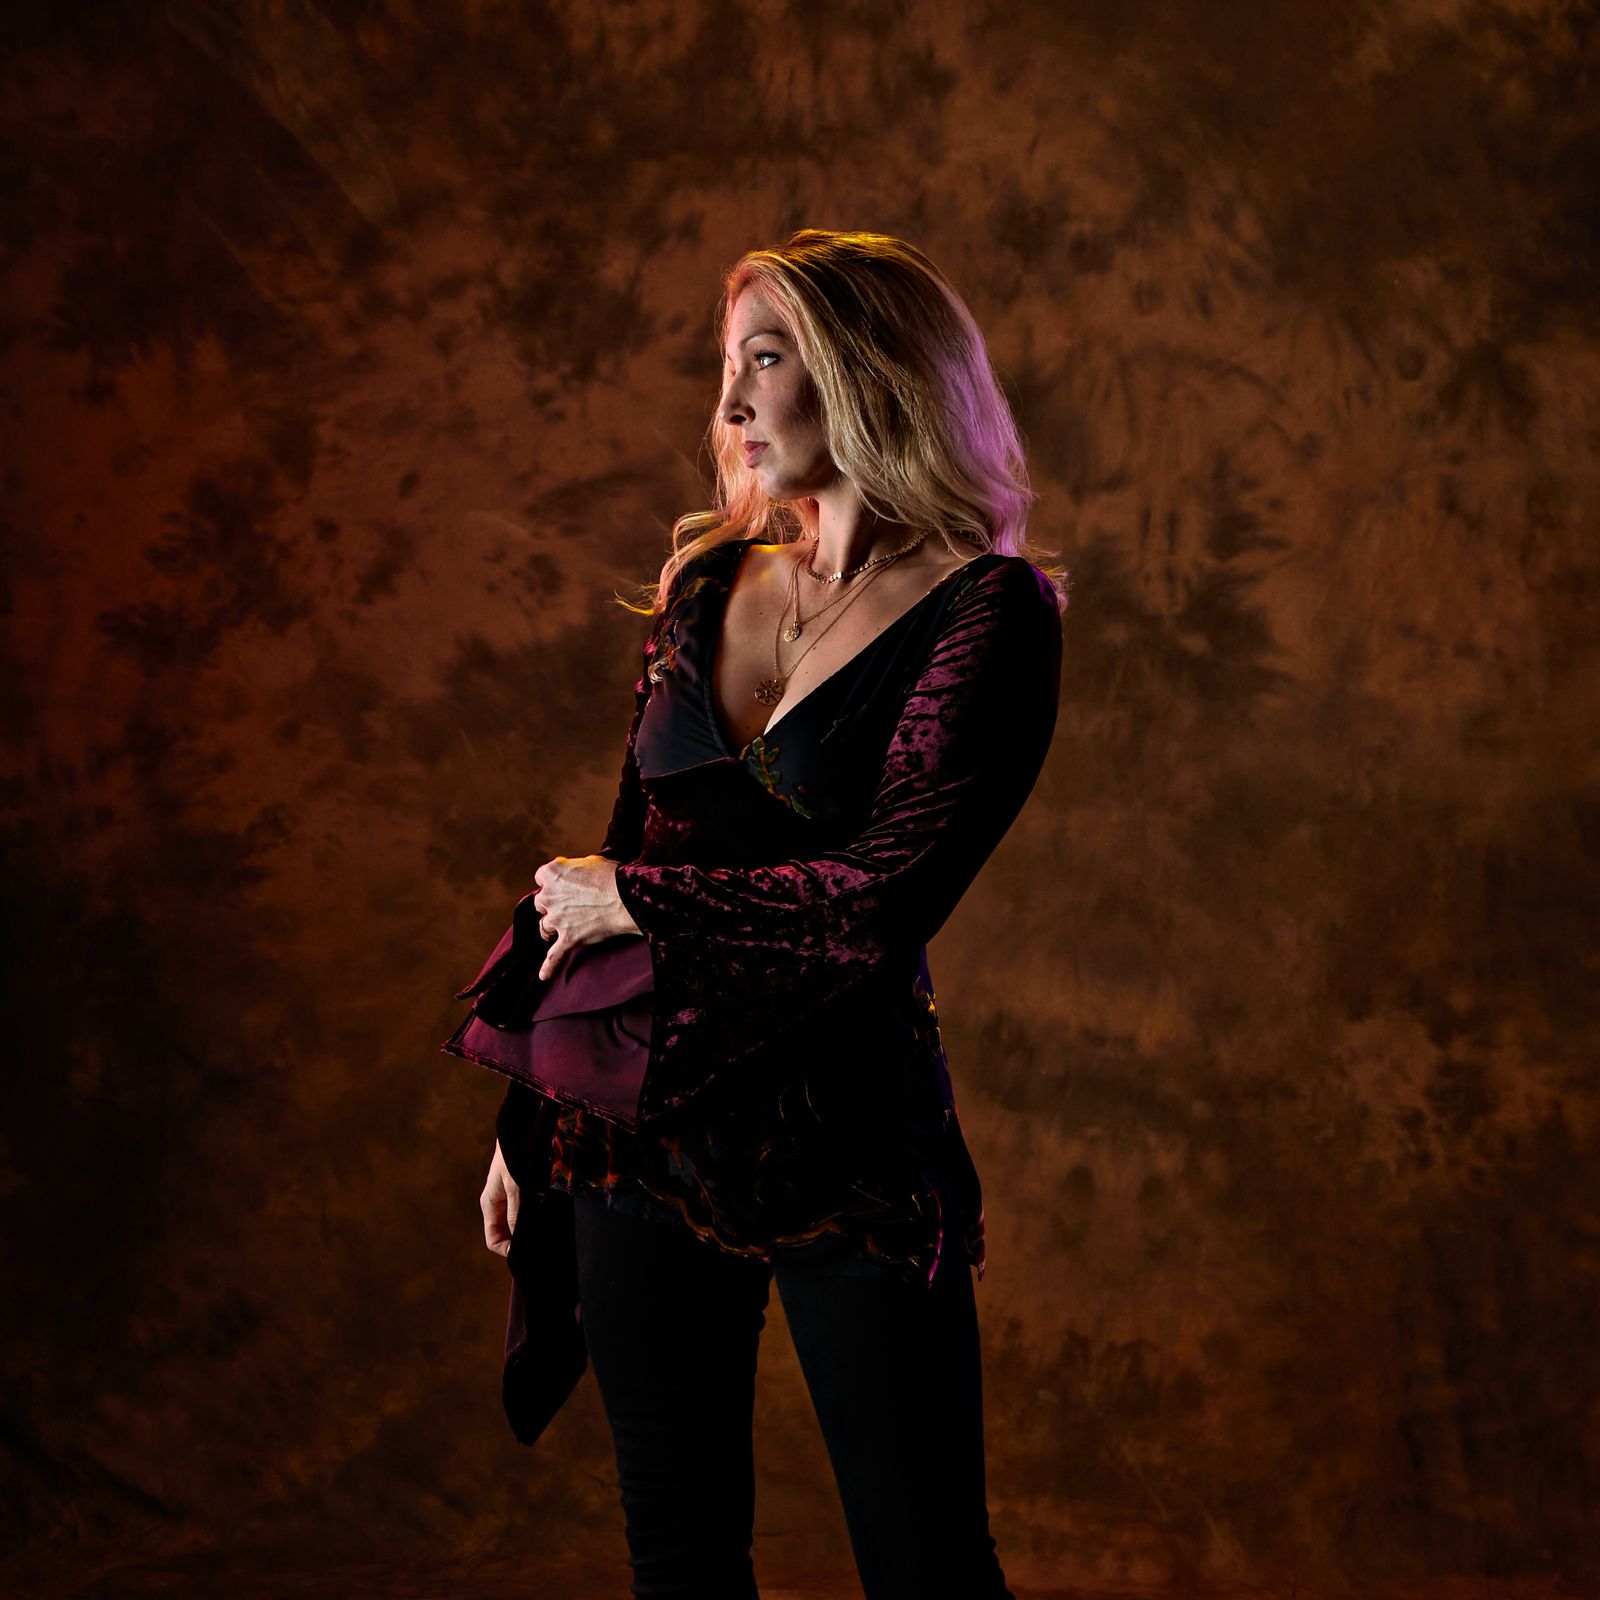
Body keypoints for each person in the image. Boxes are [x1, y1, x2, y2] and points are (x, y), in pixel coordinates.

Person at [475, 229, 1065, 1599]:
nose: (731, 398)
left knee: (927, 1566)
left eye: (768, 357)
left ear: (870, 374)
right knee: (678, 1556)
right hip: (635, 1130)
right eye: (727, 362)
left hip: (844, 1137)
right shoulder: (706, 587)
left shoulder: (988, 612)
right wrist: (527, 1111)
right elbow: (625, 847)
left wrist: (637, 900)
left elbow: (880, 899)